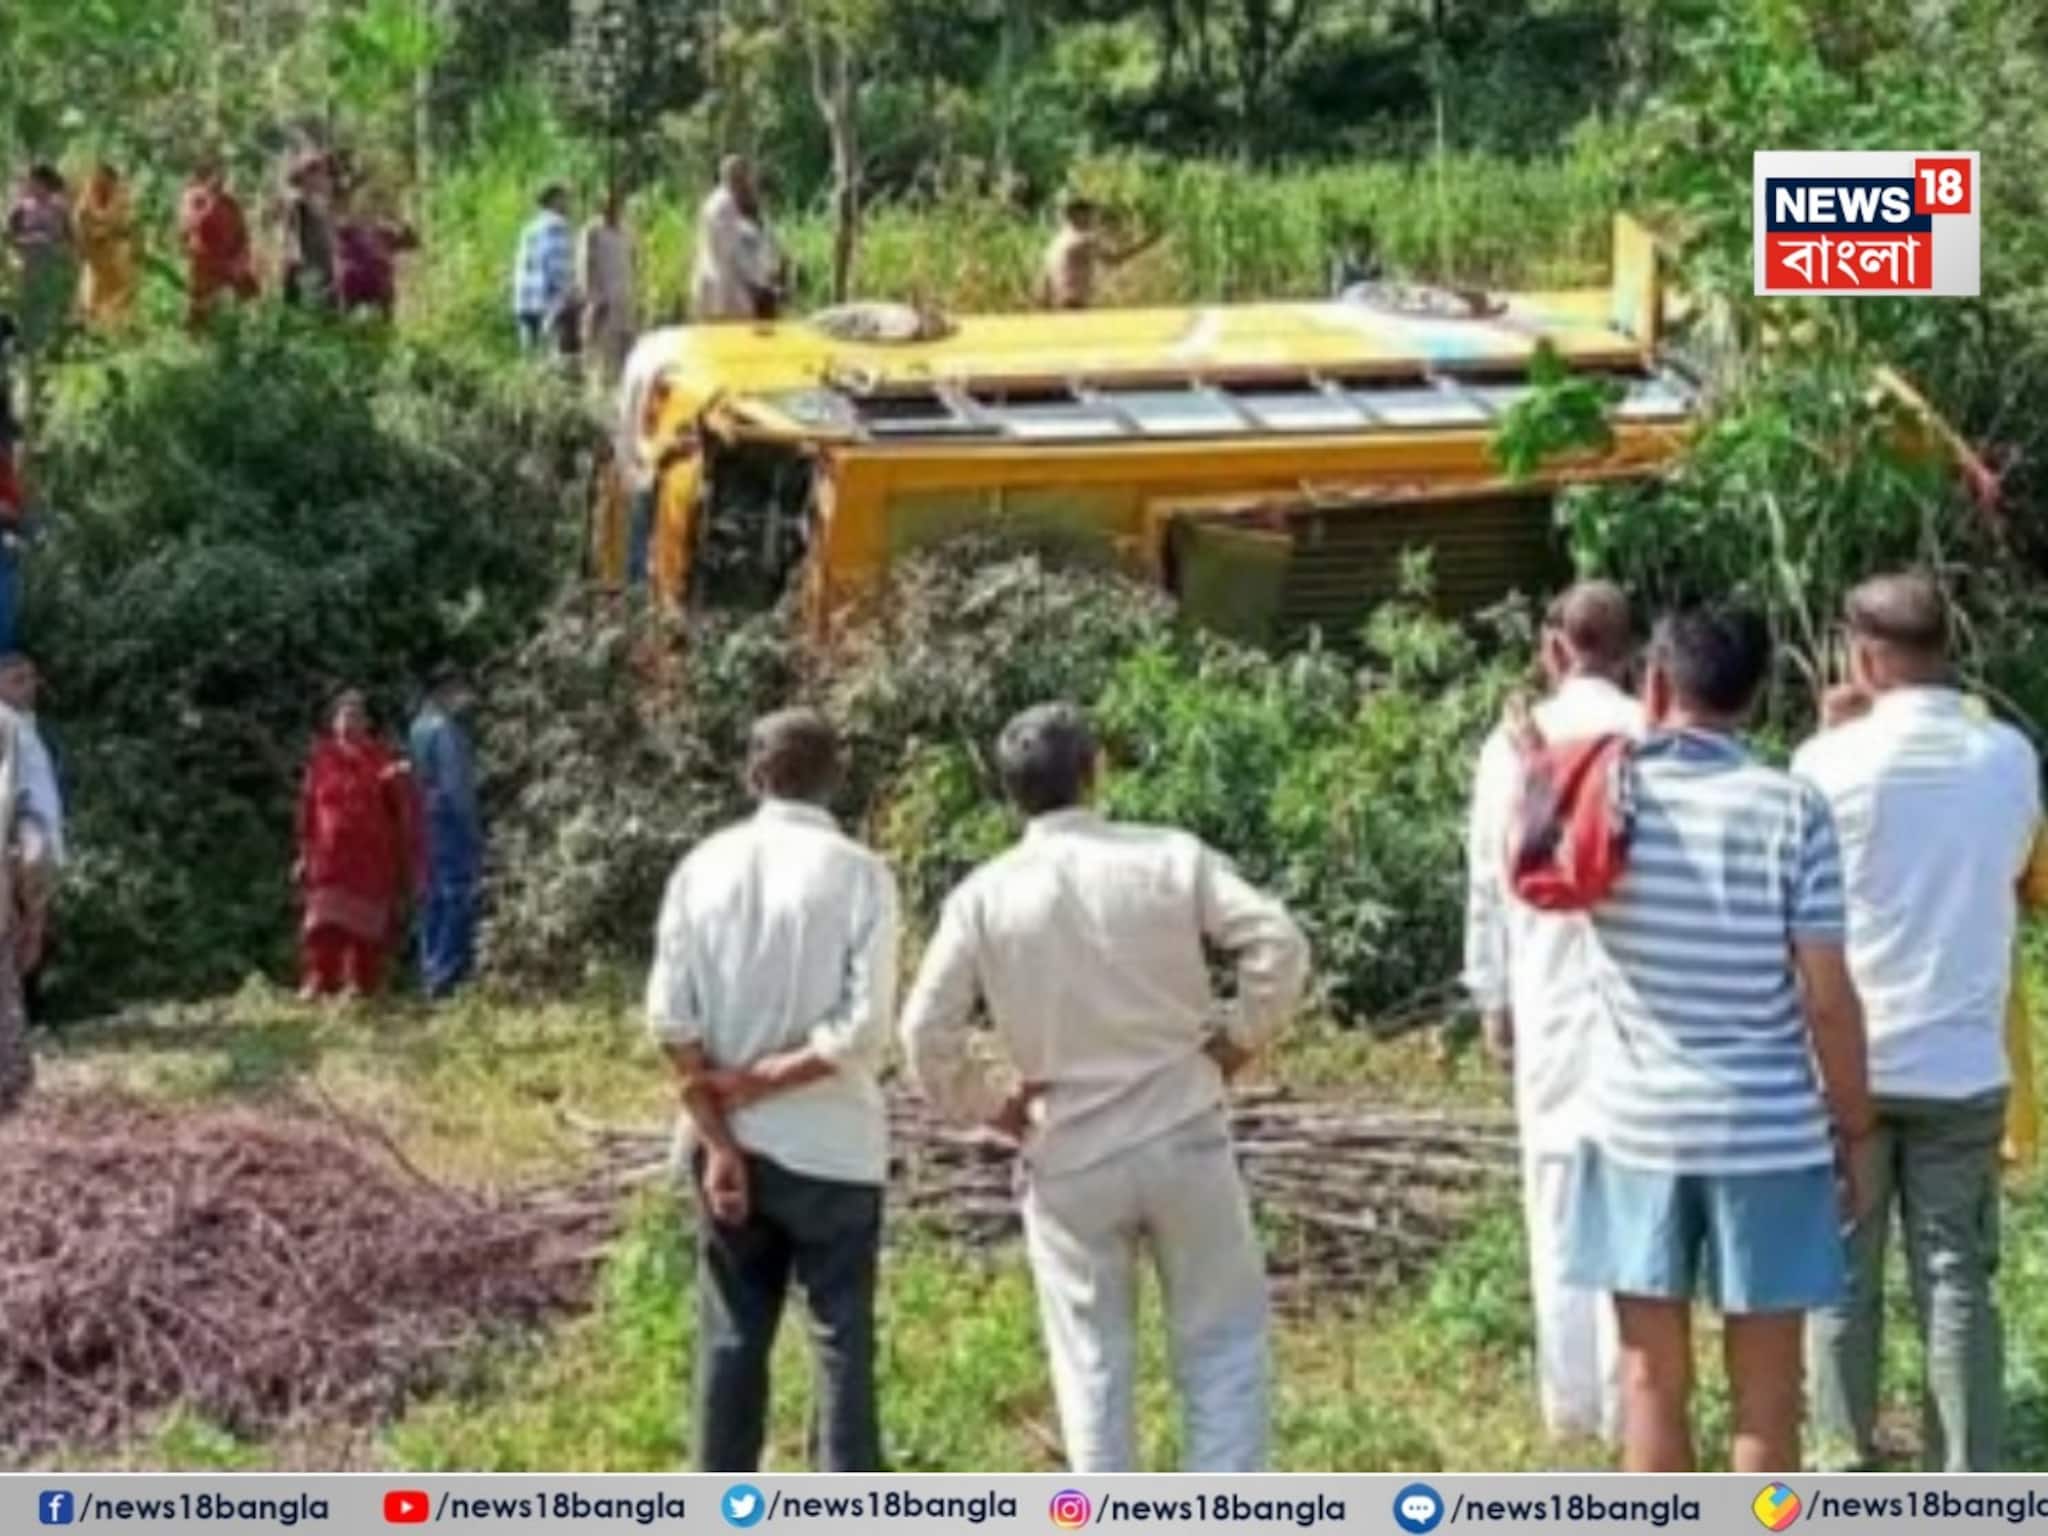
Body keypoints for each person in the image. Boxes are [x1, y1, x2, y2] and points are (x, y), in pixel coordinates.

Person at [900, 703, 1310, 1473]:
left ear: (1009, 792)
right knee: (1221, 1345)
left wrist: (993, 1106)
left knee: (1091, 1367)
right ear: (1096, 771)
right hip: (1183, 1124)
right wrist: (1235, 1041)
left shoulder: (983, 898)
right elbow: (1278, 945)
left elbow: (923, 1032)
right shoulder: (1170, 857)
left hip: (1067, 1150)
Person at [1560, 603, 1873, 1475]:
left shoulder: (1607, 795)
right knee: (1766, 1397)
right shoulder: (1792, 807)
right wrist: (1854, 1126)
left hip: (1635, 1130)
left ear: (1654, 685)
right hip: (1767, 1135)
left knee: (1650, 1379)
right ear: (1758, 694)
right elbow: (1828, 1000)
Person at [1793, 573, 2040, 1473]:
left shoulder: (1824, 765)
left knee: (1838, 1276)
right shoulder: (2009, 755)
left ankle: (1840, 1470)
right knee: (1956, 1276)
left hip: (1847, 1063)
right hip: (1964, 1065)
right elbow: (2022, 872)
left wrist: (1831, 735)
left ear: (1863, 657)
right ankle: (1967, 1485)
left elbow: (1798, 903)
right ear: (1945, 647)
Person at [646, 709, 897, 1473]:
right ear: (837, 776)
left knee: (731, 1336)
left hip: (730, 1147)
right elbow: (863, 1030)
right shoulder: (860, 874)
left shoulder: (702, 868)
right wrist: (765, 1081)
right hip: (833, 1146)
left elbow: (670, 1021)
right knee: (842, 1340)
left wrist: (721, 1138)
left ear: (753, 775)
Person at [1462, 581, 1642, 1444]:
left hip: (1546, 988)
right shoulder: (1650, 734)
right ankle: (1627, 1395)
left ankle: (1568, 1403)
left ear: (1554, 647)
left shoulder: (1513, 744)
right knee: (1633, 1189)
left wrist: (1490, 995)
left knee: (1556, 1188)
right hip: (1641, 993)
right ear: (1629, 650)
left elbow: (1487, 879)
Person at [294, 690, 419, 1001]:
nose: (349, 721)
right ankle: (318, 980)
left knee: (365, 924)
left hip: (370, 856)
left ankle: (360, 984)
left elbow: (400, 809)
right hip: (328, 856)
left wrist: (405, 856)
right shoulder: (322, 759)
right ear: (333, 721)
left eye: (356, 715)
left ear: (367, 722)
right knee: (322, 923)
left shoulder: (381, 759)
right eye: (343, 715)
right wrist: (303, 852)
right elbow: (308, 808)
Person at [408, 666, 482, 1001]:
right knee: (457, 894)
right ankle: (447, 974)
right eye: (459, 690)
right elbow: (456, 786)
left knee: (433, 895)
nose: (464, 698)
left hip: (425, 816)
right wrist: (471, 827)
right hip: (450, 820)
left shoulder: (417, 727)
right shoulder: (445, 731)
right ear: (445, 690)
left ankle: (430, 969)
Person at [0, 654, 62, 1019]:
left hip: (40, 833)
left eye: (31, 679)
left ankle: (29, 1009)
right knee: (20, 925)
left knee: (38, 923)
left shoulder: (34, 726)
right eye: (17, 680)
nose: (28, 687)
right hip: (17, 836)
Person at [691, 156, 783, 324]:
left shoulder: (722, 202)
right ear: (737, 178)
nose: (750, 183)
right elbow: (732, 253)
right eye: (747, 177)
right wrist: (760, 284)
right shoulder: (724, 207)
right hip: (723, 293)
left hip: (721, 291)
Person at [1037, 196, 1159, 312]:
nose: (1093, 218)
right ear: (1076, 215)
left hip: (1057, 303)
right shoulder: (1084, 239)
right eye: (1088, 214)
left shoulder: (1057, 241)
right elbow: (1114, 260)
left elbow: (1045, 278)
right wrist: (1147, 243)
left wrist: (1044, 304)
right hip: (1074, 303)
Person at [5, 166, 78, 356]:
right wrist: (21, 246)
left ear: (45, 183)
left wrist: (69, 260)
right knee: (29, 304)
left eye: (35, 182)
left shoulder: (60, 208)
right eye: (31, 182)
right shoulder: (22, 208)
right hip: (29, 262)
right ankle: (28, 344)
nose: (31, 186)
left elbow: (70, 237)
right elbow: (9, 235)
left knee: (51, 303)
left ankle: (50, 346)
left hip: (52, 263)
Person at [180, 158, 258, 330]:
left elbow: (242, 234)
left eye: (223, 174)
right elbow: (191, 226)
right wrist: (211, 201)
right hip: (204, 264)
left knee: (249, 296)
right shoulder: (194, 198)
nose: (220, 178)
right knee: (200, 310)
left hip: (229, 263)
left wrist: (240, 260)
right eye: (215, 173)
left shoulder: (231, 204)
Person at [580, 186, 639, 390]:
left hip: (625, 301)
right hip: (603, 303)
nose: (613, 208)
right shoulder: (592, 232)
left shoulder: (628, 231)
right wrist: (594, 298)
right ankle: (599, 395)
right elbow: (585, 266)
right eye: (608, 204)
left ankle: (621, 392)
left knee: (627, 352)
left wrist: (638, 296)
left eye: (617, 204)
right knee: (602, 355)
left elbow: (634, 263)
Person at [73, 161, 139, 331]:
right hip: (95, 255)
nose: (101, 183)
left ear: (112, 181)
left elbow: (129, 225)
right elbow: (79, 223)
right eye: (98, 179)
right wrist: (85, 242)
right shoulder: (86, 198)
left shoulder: (122, 198)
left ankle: (117, 328)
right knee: (92, 292)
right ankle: (93, 328)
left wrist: (114, 233)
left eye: (105, 180)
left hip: (116, 253)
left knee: (120, 291)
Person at [511, 184, 575, 355]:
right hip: (547, 300)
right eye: (566, 199)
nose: (570, 204)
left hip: (524, 298)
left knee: (529, 357)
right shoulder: (558, 226)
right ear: (555, 201)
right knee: (550, 358)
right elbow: (558, 266)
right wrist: (568, 294)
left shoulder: (529, 228)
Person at [279, 151, 339, 310]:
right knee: (306, 312)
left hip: (323, 266)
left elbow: (330, 237)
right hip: (306, 267)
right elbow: (291, 234)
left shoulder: (322, 204)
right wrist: (297, 263)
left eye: (326, 175)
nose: (325, 179)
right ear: (306, 177)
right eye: (321, 174)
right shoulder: (298, 202)